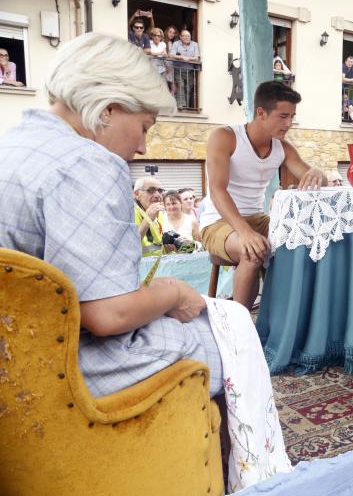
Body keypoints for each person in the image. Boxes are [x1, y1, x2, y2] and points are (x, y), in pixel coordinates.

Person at [0, 32, 222, 398]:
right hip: (56, 364)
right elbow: (108, 314)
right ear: (108, 108)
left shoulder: (14, 143)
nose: (142, 146)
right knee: (226, 337)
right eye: (144, 127)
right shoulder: (88, 162)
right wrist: (174, 293)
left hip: (18, 349)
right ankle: (228, 437)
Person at [200, 81, 326, 310]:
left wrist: (318, 173)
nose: (289, 123)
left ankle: (283, 318)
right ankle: (239, 325)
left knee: (303, 243)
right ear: (261, 113)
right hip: (218, 222)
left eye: (292, 116)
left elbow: (316, 179)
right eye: (283, 116)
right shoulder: (225, 136)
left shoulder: (283, 148)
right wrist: (245, 232)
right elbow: (217, 190)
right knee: (252, 251)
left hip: (258, 219)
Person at [133, 176, 167, 256]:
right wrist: (147, 220)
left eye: (160, 191)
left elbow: (157, 245)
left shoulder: (159, 213)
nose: (157, 195)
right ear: (137, 194)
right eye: (151, 191)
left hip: (158, 262)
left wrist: (168, 247)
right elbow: (128, 246)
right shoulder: (128, 213)